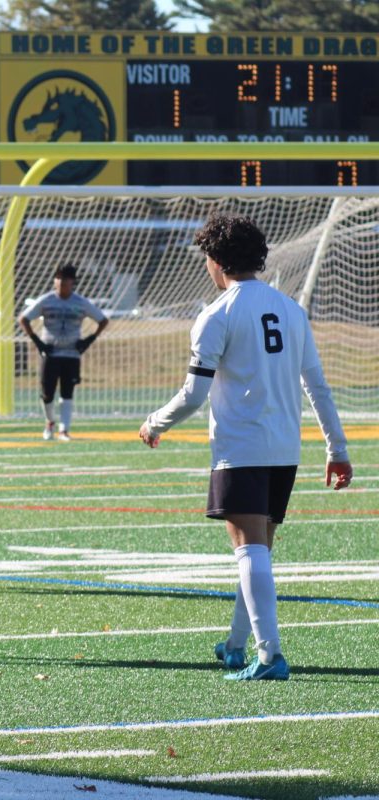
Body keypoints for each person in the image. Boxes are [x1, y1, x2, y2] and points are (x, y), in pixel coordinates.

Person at [139, 213, 352, 681]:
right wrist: (337, 448)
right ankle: (236, 645)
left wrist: (155, 423)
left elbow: (194, 394)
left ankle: (270, 654)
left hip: (241, 448)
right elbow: (317, 385)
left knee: (248, 549)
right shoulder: (291, 309)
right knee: (258, 550)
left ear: (216, 261)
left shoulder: (217, 314)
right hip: (284, 450)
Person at [18, 264, 109, 441]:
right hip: (50, 354)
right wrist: (39, 343)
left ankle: (64, 430)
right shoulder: (46, 300)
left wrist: (89, 339)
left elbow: (103, 320)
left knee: (67, 392)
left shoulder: (80, 302)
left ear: (72, 282)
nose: (60, 282)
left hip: (71, 354)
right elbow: (23, 319)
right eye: (58, 278)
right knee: (47, 393)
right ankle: (50, 422)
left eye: (65, 279)